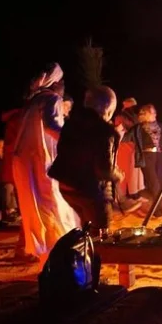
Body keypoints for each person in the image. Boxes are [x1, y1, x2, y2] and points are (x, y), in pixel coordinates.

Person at [12, 63, 79, 260]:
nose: (63, 85)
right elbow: (52, 127)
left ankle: (46, 253)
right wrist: (76, 140)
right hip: (41, 162)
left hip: (26, 163)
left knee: (36, 207)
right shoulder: (51, 98)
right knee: (53, 203)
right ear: (55, 83)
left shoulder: (33, 101)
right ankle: (61, 251)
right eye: (62, 81)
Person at [49, 86, 123, 239]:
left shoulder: (71, 124)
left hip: (67, 186)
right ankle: (95, 250)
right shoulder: (105, 132)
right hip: (89, 190)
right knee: (100, 233)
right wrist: (118, 175)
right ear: (109, 109)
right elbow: (104, 170)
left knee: (85, 227)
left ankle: (84, 247)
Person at [122, 104, 162, 217]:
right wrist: (120, 130)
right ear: (145, 114)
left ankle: (157, 208)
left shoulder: (160, 126)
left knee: (160, 181)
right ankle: (160, 209)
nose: (155, 114)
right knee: (154, 183)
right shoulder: (138, 128)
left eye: (155, 112)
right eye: (152, 112)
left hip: (158, 156)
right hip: (146, 157)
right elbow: (125, 138)